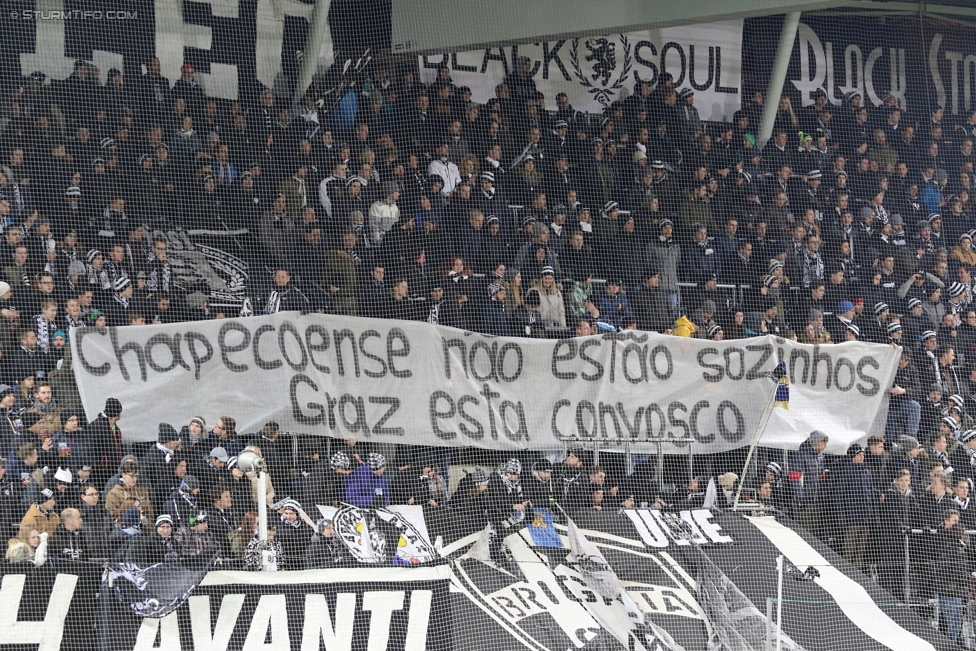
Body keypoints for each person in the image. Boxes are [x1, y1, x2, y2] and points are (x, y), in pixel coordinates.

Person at [789, 430, 828, 539]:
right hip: (804, 502)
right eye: (823, 443)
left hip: (816, 501)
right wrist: (801, 498)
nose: (825, 446)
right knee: (804, 530)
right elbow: (794, 477)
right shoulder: (801, 456)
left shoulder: (821, 457)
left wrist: (822, 495)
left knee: (814, 531)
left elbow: (822, 477)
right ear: (816, 442)